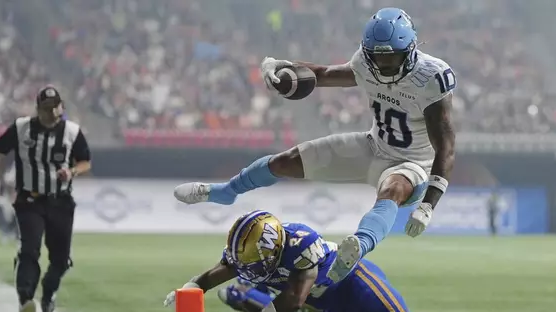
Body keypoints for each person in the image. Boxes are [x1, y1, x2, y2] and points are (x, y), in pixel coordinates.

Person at [174, 8, 457, 284]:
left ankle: (355, 248)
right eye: (377, 57)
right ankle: (225, 191)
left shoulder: (431, 78)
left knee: (392, 188)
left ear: (410, 49)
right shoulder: (365, 63)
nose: (383, 65)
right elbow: (322, 74)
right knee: (286, 161)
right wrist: (284, 66)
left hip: (413, 163)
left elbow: (445, 146)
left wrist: (429, 204)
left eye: (392, 57)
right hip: (373, 145)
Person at [164, 210, 529, 312]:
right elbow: (216, 274)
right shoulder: (251, 251)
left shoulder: (298, 243)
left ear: (274, 248)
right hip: (339, 305)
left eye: (254, 257)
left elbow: (293, 300)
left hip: (355, 280)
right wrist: (189, 289)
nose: (246, 264)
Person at [0, 85, 91, 312]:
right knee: (30, 248)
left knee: (60, 259)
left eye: (54, 107)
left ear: (60, 107)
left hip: (60, 201)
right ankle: (25, 299)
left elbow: (85, 162)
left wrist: (71, 172)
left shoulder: (71, 131)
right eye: (46, 108)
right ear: (38, 109)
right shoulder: (22, 128)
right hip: (29, 199)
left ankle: (49, 290)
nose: (50, 113)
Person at [218, 277, 340, 312]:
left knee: (232, 293)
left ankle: (256, 287)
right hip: (286, 309)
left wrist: (245, 302)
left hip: (283, 311)